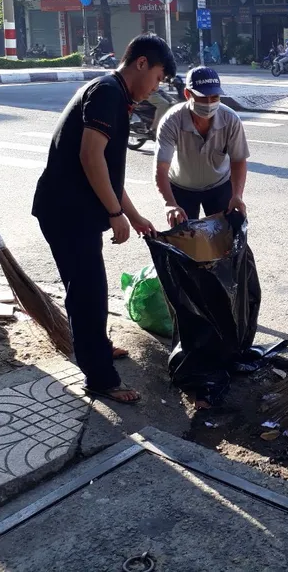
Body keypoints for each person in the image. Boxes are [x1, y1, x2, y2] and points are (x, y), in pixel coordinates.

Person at [32, 35, 174, 405]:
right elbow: (90, 156)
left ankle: (96, 346)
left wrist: (135, 216)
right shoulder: (108, 92)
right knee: (87, 292)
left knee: (91, 287)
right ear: (141, 63)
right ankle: (100, 378)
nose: (155, 87)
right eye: (158, 77)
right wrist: (115, 214)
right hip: (66, 211)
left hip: (73, 210)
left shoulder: (116, 95)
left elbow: (109, 172)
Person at [155, 67, 249, 226]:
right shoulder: (171, 121)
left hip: (219, 186)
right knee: (186, 241)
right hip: (181, 188)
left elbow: (238, 161)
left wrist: (237, 196)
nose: (209, 103)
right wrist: (169, 204)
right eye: (202, 98)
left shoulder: (231, 119)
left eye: (214, 97)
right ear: (187, 94)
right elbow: (161, 168)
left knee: (225, 239)